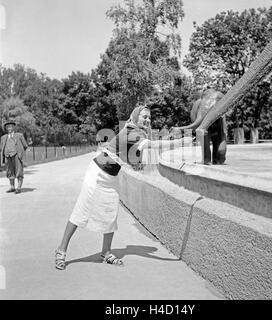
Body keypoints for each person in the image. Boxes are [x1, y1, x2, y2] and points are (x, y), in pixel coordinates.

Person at [55, 105, 192, 270]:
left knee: (110, 214)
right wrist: (181, 142)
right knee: (81, 211)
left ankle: (105, 253)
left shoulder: (139, 133)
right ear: (135, 117)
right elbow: (152, 146)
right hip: (97, 174)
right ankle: (61, 251)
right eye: (144, 117)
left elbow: (130, 157)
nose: (147, 120)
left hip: (111, 177)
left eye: (149, 118)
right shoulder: (130, 131)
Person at [0, 120, 28, 194]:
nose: (9, 128)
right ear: (6, 128)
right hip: (7, 156)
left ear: (14, 127)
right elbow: (1, 147)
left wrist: (19, 152)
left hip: (16, 155)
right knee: (10, 171)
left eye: (11, 126)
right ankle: (12, 187)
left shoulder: (19, 135)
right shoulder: (3, 137)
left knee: (19, 171)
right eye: (8, 127)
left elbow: (25, 145)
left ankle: (18, 188)